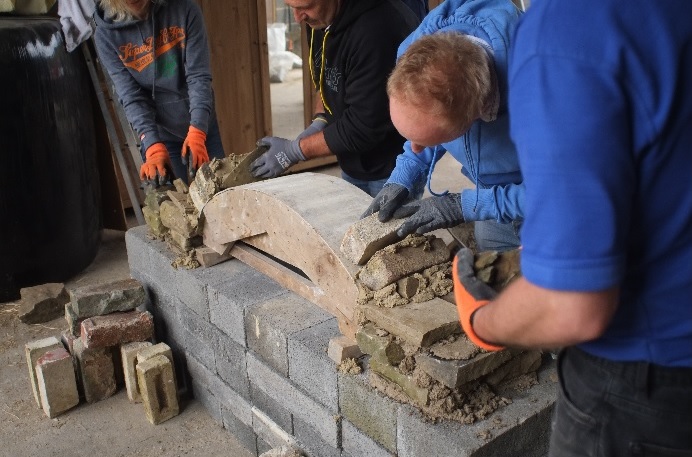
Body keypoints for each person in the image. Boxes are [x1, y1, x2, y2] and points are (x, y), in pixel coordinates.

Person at [454, 0, 692, 455]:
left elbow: (572, 307)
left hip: (643, 393)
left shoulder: (567, 30)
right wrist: (550, 253)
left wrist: (482, 322)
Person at [362, 0, 524, 252]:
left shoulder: (540, 86)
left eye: (431, 141)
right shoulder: (417, 54)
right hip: (490, 193)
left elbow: (562, 188)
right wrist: (404, 174)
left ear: (478, 114)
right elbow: (428, 120)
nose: (415, 148)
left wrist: (464, 205)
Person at [249, 0, 419, 197]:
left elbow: (363, 127)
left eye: (305, 7)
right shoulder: (320, 19)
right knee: (354, 223)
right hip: (352, 157)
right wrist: (321, 119)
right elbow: (326, 75)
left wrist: (295, 151)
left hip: (393, 166)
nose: (297, 18)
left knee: (383, 226)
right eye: (291, 7)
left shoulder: (376, 30)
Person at [93, 0, 225, 184]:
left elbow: (198, 76)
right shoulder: (106, 36)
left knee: (220, 190)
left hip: (201, 125)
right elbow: (131, 96)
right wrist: (152, 146)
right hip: (160, 132)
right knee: (170, 202)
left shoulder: (186, 10)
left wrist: (198, 131)